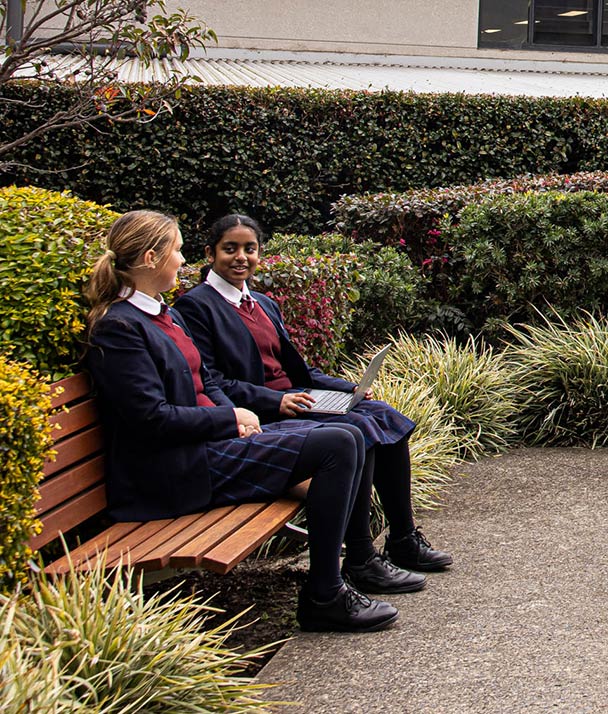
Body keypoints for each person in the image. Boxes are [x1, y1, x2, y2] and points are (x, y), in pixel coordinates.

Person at [83, 210, 403, 632]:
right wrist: (227, 418)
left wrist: (241, 415)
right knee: (339, 443)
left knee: (349, 430)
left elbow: (206, 381)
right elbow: (149, 419)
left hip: (205, 450)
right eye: (176, 252)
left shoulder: (163, 314)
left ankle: (348, 572)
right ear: (149, 258)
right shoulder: (120, 327)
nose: (182, 261)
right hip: (173, 472)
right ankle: (325, 594)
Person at [174, 214, 452, 577]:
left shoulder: (261, 303)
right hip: (264, 411)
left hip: (297, 397)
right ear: (210, 253)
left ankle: (402, 538)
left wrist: (348, 388)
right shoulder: (197, 306)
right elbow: (213, 382)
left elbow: (297, 372)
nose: (241, 257)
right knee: (357, 430)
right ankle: (360, 556)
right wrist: (275, 402)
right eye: (230, 249)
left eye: (249, 249)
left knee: (382, 413)